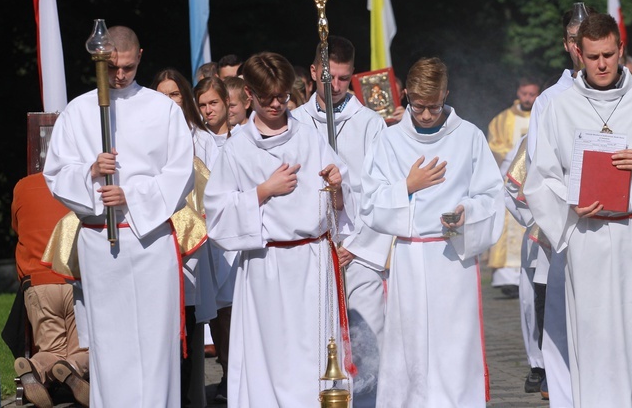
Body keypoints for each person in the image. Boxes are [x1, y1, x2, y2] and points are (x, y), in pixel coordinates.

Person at [525, 13, 632, 408]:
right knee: (597, 340)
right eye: (593, 56)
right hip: (589, 234)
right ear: (577, 54)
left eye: (609, 55)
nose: (602, 64)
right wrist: (570, 203)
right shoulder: (557, 107)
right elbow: (539, 179)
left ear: (620, 51)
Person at [43, 25, 194, 407]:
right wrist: (91, 174)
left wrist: (132, 194)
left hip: (149, 239)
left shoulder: (163, 110)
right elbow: (56, 174)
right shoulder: (78, 112)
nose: (120, 75)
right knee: (111, 342)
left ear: (139, 56)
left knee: (155, 341)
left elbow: (180, 173)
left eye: (126, 67)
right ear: (98, 61)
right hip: (100, 240)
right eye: (111, 68)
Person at [204, 52, 354, 407]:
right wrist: (261, 192)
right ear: (249, 95)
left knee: (314, 352)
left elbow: (343, 203)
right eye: (268, 97)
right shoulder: (237, 148)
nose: (276, 104)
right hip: (265, 265)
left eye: (283, 96)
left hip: (312, 262)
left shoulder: (310, 137)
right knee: (270, 355)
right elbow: (217, 215)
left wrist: (337, 188)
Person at [360, 57, 502, 407]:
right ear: (405, 95)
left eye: (434, 106)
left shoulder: (469, 136)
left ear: (447, 95)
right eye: (418, 106)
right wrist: (407, 186)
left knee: (454, 345)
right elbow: (369, 201)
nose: (425, 115)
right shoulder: (388, 140)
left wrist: (464, 213)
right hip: (409, 256)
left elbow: (490, 195)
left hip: (452, 256)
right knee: (408, 347)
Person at [293, 36, 389, 407]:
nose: (334, 86)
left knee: (366, 344)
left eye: (344, 79)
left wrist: (356, 245)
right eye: (328, 77)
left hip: (360, 251)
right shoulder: (295, 123)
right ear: (314, 72)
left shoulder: (370, 124)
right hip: (313, 249)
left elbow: (381, 192)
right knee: (315, 340)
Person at [525, 3, 596, 405]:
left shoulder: (621, 92)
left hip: (610, 224)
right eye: (573, 39)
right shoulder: (549, 101)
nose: (579, 46)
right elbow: (538, 169)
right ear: (567, 44)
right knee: (564, 328)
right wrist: (556, 221)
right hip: (567, 228)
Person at [151, 68, 217, 408]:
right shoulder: (146, 138)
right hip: (158, 240)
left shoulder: (203, 139)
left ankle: (193, 399)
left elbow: (215, 192)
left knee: (190, 324)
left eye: (175, 94)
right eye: (162, 95)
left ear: (185, 98)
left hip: (195, 244)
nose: (169, 102)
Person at [11, 172, 90, 408]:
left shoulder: (22, 186)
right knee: (87, 347)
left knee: (52, 348)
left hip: (37, 284)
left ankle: (34, 367)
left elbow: (17, 226)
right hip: (75, 279)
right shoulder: (82, 180)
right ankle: (73, 368)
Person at [193, 76, 235, 402]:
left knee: (238, 308)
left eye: (213, 103)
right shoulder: (195, 140)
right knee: (220, 311)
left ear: (227, 103)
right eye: (202, 105)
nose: (208, 110)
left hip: (241, 232)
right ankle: (225, 370)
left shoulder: (244, 137)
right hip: (210, 235)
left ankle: (239, 371)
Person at [486, 77, 540, 297]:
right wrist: (514, 155)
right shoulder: (502, 120)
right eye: (524, 93)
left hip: (536, 180)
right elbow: (494, 146)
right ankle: (506, 278)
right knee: (508, 222)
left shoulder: (544, 114)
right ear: (518, 92)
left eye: (532, 94)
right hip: (511, 179)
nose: (527, 98)